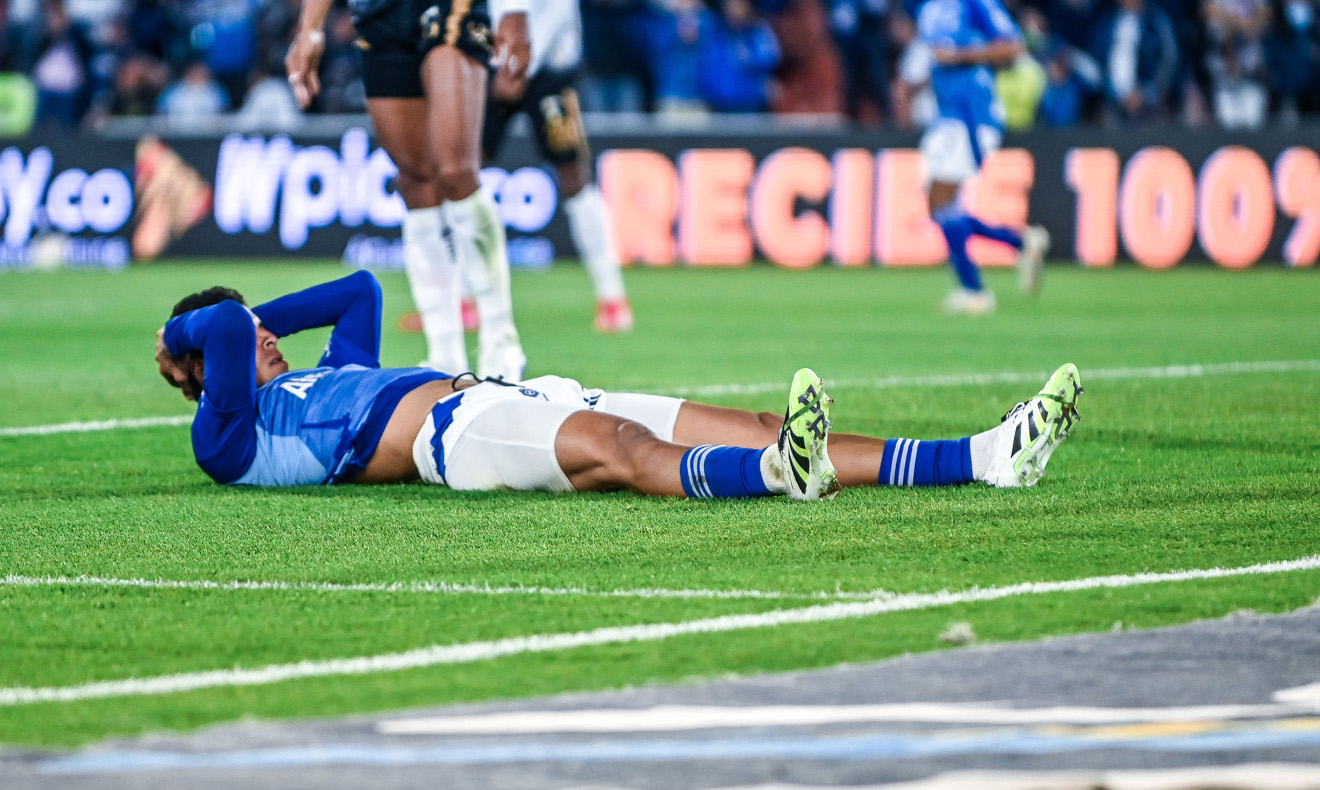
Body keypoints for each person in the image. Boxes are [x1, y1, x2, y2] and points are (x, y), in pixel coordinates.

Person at [153, 272, 1084, 501]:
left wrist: (246, 321)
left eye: (268, 327)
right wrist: (180, 336)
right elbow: (228, 326)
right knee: (625, 453)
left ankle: (985, 455)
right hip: (456, 437)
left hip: (509, 389)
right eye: (249, 335)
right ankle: (777, 477)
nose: (265, 333)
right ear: (204, 374)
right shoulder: (229, 435)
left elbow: (358, 289)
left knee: (755, 418)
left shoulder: (330, 370)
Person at [284, 0, 530, 381]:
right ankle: (444, 356)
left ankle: (501, 341)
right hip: (377, 12)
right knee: (415, 181)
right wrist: (310, 30)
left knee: (456, 171)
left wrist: (516, 9)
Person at [402, 0, 634, 337]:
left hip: (550, 71)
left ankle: (612, 298)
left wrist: (519, 64)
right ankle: (462, 301)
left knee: (574, 176)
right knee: (458, 173)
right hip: (491, 65)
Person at [916, 0, 1051, 314]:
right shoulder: (926, 7)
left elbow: (1013, 47)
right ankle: (1020, 242)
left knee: (942, 204)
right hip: (947, 113)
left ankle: (975, 290)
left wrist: (958, 56)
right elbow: (937, 57)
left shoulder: (975, 3)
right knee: (938, 206)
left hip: (972, 114)